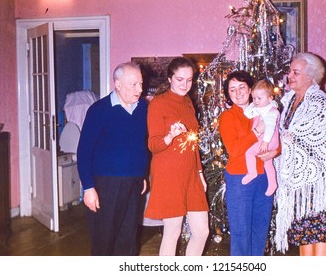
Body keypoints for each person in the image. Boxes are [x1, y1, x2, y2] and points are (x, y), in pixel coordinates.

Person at [77, 62, 149, 256]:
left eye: (141, 83)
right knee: (104, 238)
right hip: (106, 184)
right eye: (134, 84)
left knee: (129, 238)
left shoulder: (142, 107)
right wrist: (88, 187)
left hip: (134, 182)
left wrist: (142, 174)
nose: (140, 89)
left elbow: (140, 144)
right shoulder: (99, 110)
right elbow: (84, 151)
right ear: (117, 84)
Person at [274, 52, 326, 256]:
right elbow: (283, 134)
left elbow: (306, 137)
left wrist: (283, 142)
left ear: (310, 76)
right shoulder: (288, 101)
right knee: (303, 235)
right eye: (290, 71)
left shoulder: (320, 102)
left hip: (314, 182)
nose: (289, 76)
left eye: (296, 72)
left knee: (319, 233)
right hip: (296, 183)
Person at [144, 57, 209, 256]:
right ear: (170, 78)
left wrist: (200, 173)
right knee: (173, 232)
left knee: (202, 231)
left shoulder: (188, 102)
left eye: (189, 80)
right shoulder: (158, 103)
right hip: (169, 175)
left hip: (191, 175)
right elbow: (153, 145)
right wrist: (170, 136)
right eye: (180, 79)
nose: (185, 85)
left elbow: (193, 142)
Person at [218, 70, 277, 256]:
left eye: (242, 87)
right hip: (239, 178)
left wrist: (275, 151)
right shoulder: (227, 117)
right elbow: (234, 151)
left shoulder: (264, 110)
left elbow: (277, 140)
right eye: (232, 89)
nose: (237, 93)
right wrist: (256, 132)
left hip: (265, 178)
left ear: (251, 89)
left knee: (260, 232)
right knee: (241, 233)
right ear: (228, 94)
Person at [242, 80, 280, 197]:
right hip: (268, 141)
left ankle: (252, 172)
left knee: (249, 152)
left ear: (270, 98)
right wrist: (252, 105)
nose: (256, 101)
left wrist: (265, 142)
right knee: (268, 162)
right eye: (254, 98)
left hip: (269, 140)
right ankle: (273, 183)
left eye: (259, 98)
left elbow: (269, 128)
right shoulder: (263, 108)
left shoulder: (271, 111)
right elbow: (248, 114)